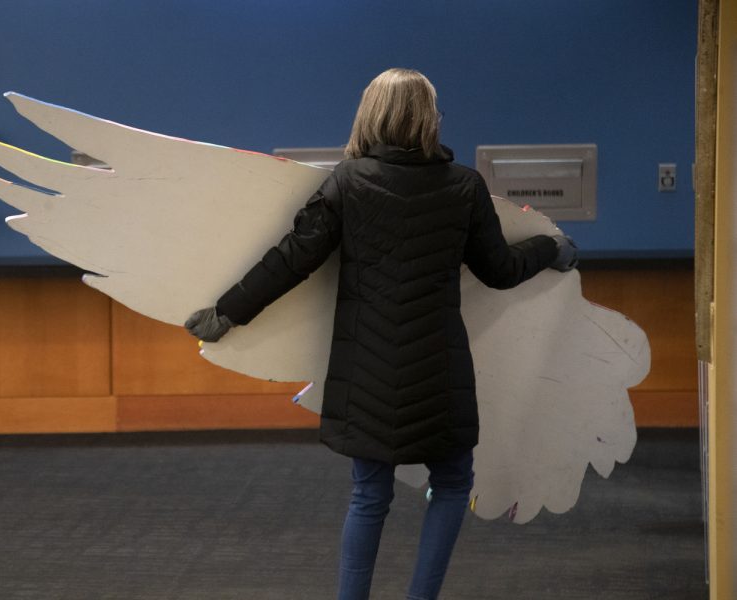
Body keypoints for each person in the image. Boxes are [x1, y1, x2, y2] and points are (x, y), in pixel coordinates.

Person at [185, 68, 578, 600]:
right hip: (438, 368)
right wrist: (550, 250)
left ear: (370, 116)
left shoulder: (346, 184)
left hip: (365, 368)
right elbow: (500, 270)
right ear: (426, 119)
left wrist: (229, 311)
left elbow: (292, 260)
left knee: (369, 494)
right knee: (453, 482)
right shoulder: (464, 186)